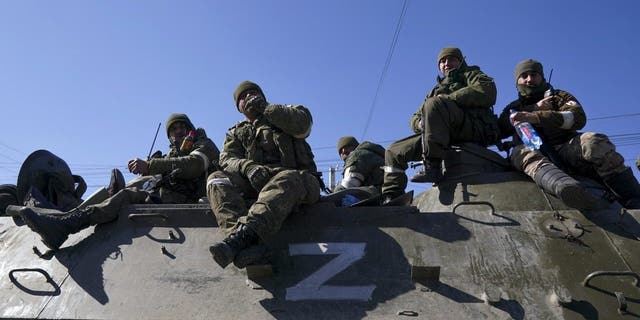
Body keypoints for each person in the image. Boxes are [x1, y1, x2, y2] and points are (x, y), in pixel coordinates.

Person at [12, 113, 220, 250]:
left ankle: (66, 223)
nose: (178, 132)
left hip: (187, 204)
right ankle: (65, 220)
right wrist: (148, 172)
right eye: (173, 129)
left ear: (190, 129)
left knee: (126, 196)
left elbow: (193, 164)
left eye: (182, 127)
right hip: (161, 200)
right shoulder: (169, 156)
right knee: (125, 195)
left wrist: (151, 165)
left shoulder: (204, 145)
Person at [498, 59, 640, 209]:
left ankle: (633, 197)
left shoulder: (558, 97)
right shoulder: (513, 108)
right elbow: (499, 130)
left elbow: (578, 118)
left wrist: (539, 116)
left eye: (534, 74)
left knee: (593, 141)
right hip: (535, 157)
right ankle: (568, 189)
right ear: (517, 81)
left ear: (542, 77)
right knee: (520, 152)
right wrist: (532, 109)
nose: (529, 79)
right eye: (524, 76)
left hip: (565, 148)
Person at [207, 80, 320, 269]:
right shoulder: (235, 132)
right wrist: (247, 167)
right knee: (216, 178)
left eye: (252, 93)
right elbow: (227, 159)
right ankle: (244, 244)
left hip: (300, 182)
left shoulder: (285, 112)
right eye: (242, 98)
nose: (248, 98)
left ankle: (241, 239)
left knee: (288, 177)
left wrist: (265, 108)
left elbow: (302, 126)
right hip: (258, 181)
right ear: (239, 108)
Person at [381, 47, 499, 204]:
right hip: (439, 134)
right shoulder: (435, 90)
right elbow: (414, 117)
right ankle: (392, 197)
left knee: (435, 104)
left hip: (471, 127)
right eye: (442, 61)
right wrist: (420, 123)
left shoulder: (471, 74)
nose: (446, 63)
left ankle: (433, 166)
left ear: (461, 61)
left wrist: (449, 99)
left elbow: (487, 91)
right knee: (394, 151)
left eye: (451, 59)